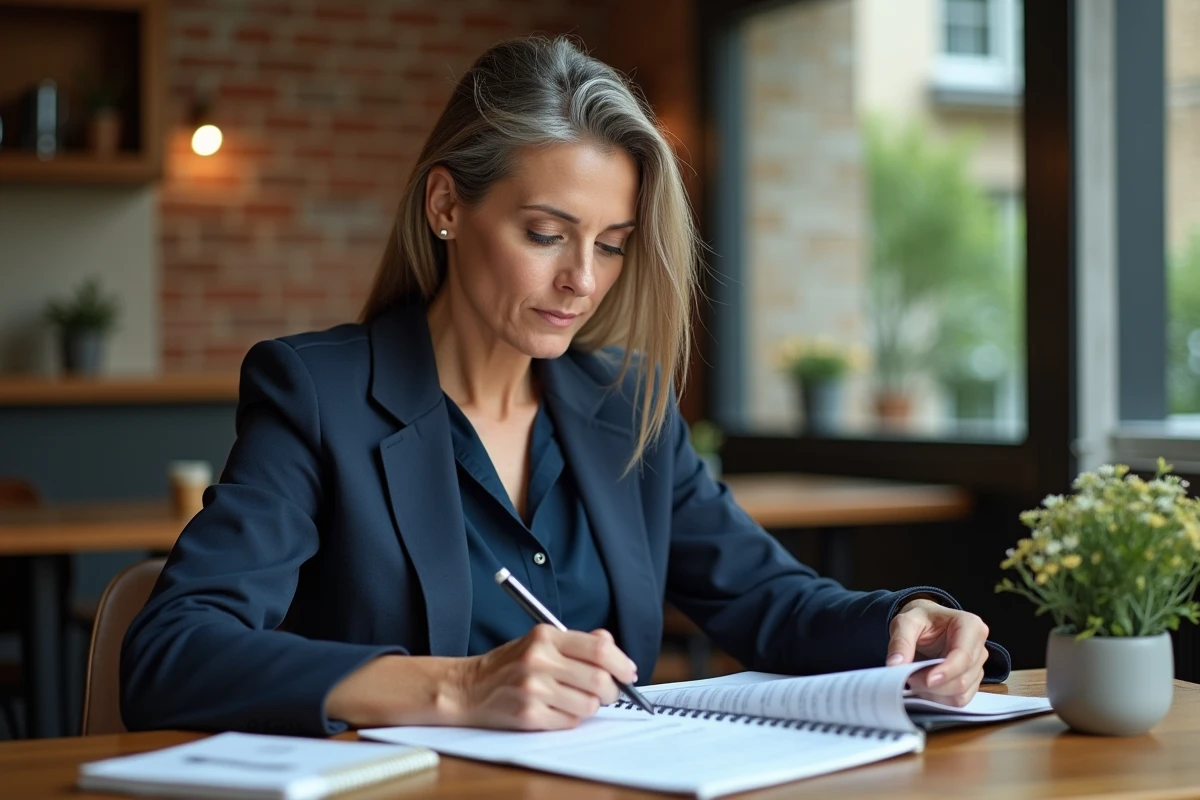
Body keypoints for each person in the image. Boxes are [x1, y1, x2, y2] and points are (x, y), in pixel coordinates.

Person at [121, 35, 1009, 738]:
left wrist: (911, 622)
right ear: (446, 207)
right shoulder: (319, 394)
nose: (584, 280)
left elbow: (765, 599)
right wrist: (458, 687)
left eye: (613, 243)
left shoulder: (628, 404)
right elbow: (171, 654)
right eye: (547, 233)